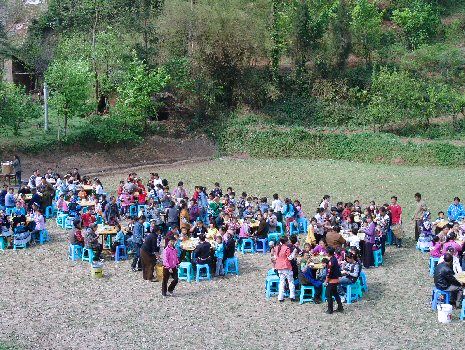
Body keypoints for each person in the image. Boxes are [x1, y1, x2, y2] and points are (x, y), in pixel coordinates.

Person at [273, 236, 297, 302]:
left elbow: (275, 257)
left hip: (279, 267)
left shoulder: (277, 247)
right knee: (290, 281)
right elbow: (290, 258)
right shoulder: (287, 248)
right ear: (286, 242)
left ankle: (280, 297)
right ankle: (292, 296)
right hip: (286, 266)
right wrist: (294, 252)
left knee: (281, 282)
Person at [325, 247, 344, 314]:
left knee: (328, 295)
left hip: (332, 280)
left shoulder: (331, 262)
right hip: (336, 279)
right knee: (335, 293)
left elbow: (329, 273)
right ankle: (340, 307)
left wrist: (326, 281)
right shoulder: (334, 259)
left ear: (328, 253)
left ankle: (330, 309)